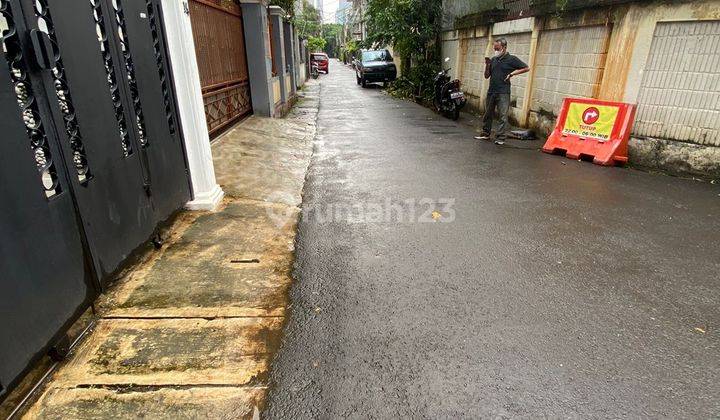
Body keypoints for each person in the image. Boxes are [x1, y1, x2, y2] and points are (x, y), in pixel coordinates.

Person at [474, 38, 530, 145]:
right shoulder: (494, 59)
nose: (495, 50)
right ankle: (485, 134)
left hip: (503, 92)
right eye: (494, 48)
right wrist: (487, 64)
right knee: (488, 113)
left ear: (504, 48)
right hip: (492, 90)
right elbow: (486, 76)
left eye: (497, 48)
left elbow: (526, 68)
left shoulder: (512, 59)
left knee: (503, 116)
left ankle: (500, 138)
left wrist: (512, 74)